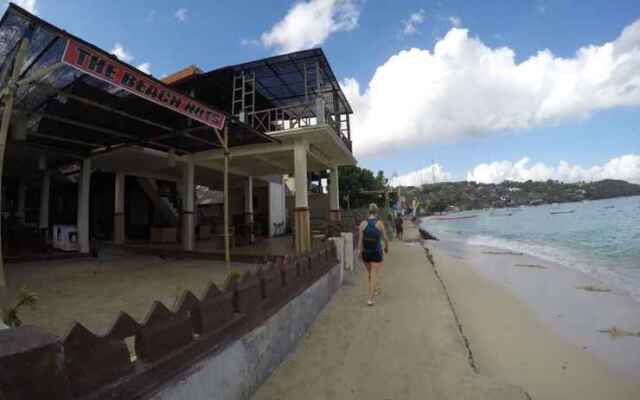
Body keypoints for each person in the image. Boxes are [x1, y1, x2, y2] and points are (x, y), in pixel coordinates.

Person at [357, 203, 389, 306]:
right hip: (376, 253)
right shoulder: (379, 223)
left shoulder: (362, 224)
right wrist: (386, 247)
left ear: (368, 212)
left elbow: (360, 241)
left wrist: (359, 251)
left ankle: (376, 288)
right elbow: (385, 238)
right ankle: (370, 299)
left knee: (371, 273)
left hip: (365, 253)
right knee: (374, 274)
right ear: (377, 212)